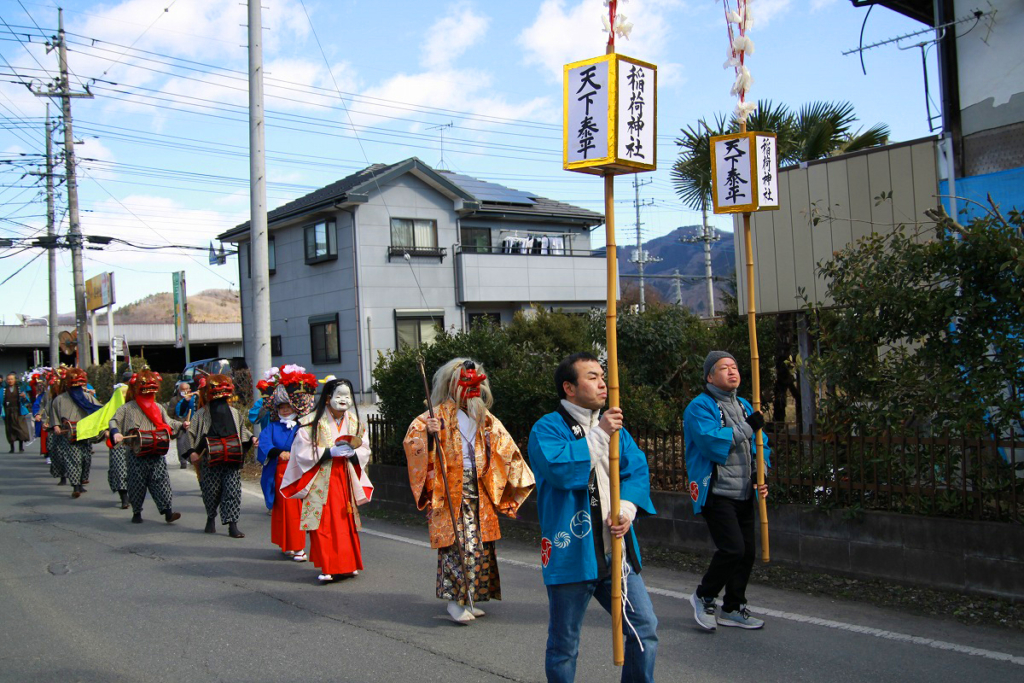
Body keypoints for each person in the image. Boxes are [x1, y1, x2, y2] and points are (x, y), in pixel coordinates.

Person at [528, 352, 658, 683]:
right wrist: (599, 433)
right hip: (571, 551)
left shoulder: (615, 427)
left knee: (644, 627)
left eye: (602, 375)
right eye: (592, 377)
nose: (602, 382)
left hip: (616, 549)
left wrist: (626, 510)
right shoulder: (547, 428)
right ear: (569, 388)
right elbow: (561, 471)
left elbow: (636, 471)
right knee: (564, 644)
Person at [403, 358, 535, 623]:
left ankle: (470, 597)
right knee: (459, 546)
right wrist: (428, 435)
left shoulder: (483, 417)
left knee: (482, 545)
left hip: (480, 487)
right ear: (452, 385)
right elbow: (412, 442)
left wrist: (518, 475)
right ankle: (455, 600)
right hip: (450, 490)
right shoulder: (435, 416)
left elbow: (504, 445)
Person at [684, 351, 771, 632]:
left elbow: (761, 445)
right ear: (710, 376)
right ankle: (704, 595)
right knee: (732, 548)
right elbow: (712, 442)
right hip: (717, 491)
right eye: (724, 368)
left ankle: (733, 606)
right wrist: (748, 427)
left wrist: (762, 472)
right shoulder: (699, 407)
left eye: (735, 367)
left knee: (747, 553)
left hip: (745, 491)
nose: (732, 372)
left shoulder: (746, 405)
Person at [281, 378, 372, 584]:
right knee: (323, 522)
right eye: (339, 396)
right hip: (321, 477)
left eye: (347, 396)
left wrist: (354, 453)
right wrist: (329, 451)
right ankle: (329, 566)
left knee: (345, 520)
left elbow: (365, 448)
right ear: (328, 397)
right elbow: (302, 450)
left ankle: (348, 565)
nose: (343, 400)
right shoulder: (311, 422)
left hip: (344, 477)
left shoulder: (356, 422)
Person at [109, 369, 186, 524]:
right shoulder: (127, 408)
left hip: (156, 452)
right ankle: (137, 512)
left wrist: (182, 425)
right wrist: (115, 432)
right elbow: (113, 421)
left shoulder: (158, 407)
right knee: (136, 483)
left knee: (162, 482)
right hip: (136, 454)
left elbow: (169, 423)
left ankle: (168, 512)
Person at [184, 374, 254, 538]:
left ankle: (232, 525)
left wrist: (252, 438)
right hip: (209, 459)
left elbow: (242, 430)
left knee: (232, 490)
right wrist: (192, 452)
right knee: (211, 491)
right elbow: (191, 434)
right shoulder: (201, 414)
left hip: (232, 458)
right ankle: (210, 516)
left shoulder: (235, 413)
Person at [258, 368, 317, 561]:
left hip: (300, 471)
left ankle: (296, 546)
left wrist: (296, 454)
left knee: (298, 511)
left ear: (295, 407)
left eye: (288, 406)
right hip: (281, 473)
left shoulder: (303, 426)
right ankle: (293, 546)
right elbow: (265, 444)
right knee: (287, 511)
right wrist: (279, 453)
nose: (285, 410)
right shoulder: (272, 427)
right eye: (281, 407)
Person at [48, 368, 103, 498]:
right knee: (73, 459)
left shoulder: (88, 397)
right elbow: (54, 414)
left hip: (85, 433)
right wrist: (56, 425)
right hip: (68, 433)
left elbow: (99, 411)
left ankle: (81, 482)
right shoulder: (59, 399)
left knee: (86, 459)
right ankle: (75, 486)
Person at [3, 372, 31, 453]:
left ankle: (21, 446)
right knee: (10, 429)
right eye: (8, 379)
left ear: (15, 380)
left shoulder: (20, 389)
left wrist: (24, 396)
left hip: (18, 411)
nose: (10, 381)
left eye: (12, 379)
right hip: (8, 411)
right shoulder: (3, 390)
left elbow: (26, 401)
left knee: (20, 428)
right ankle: (12, 447)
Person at [172, 381, 196, 469]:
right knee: (181, 443)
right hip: (181, 425)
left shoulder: (196, 398)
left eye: (186, 389)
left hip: (194, 424)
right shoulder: (176, 400)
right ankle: (183, 461)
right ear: (179, 390)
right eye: (183, 389)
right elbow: (176, 412)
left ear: (190, 390)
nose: (185, 391)